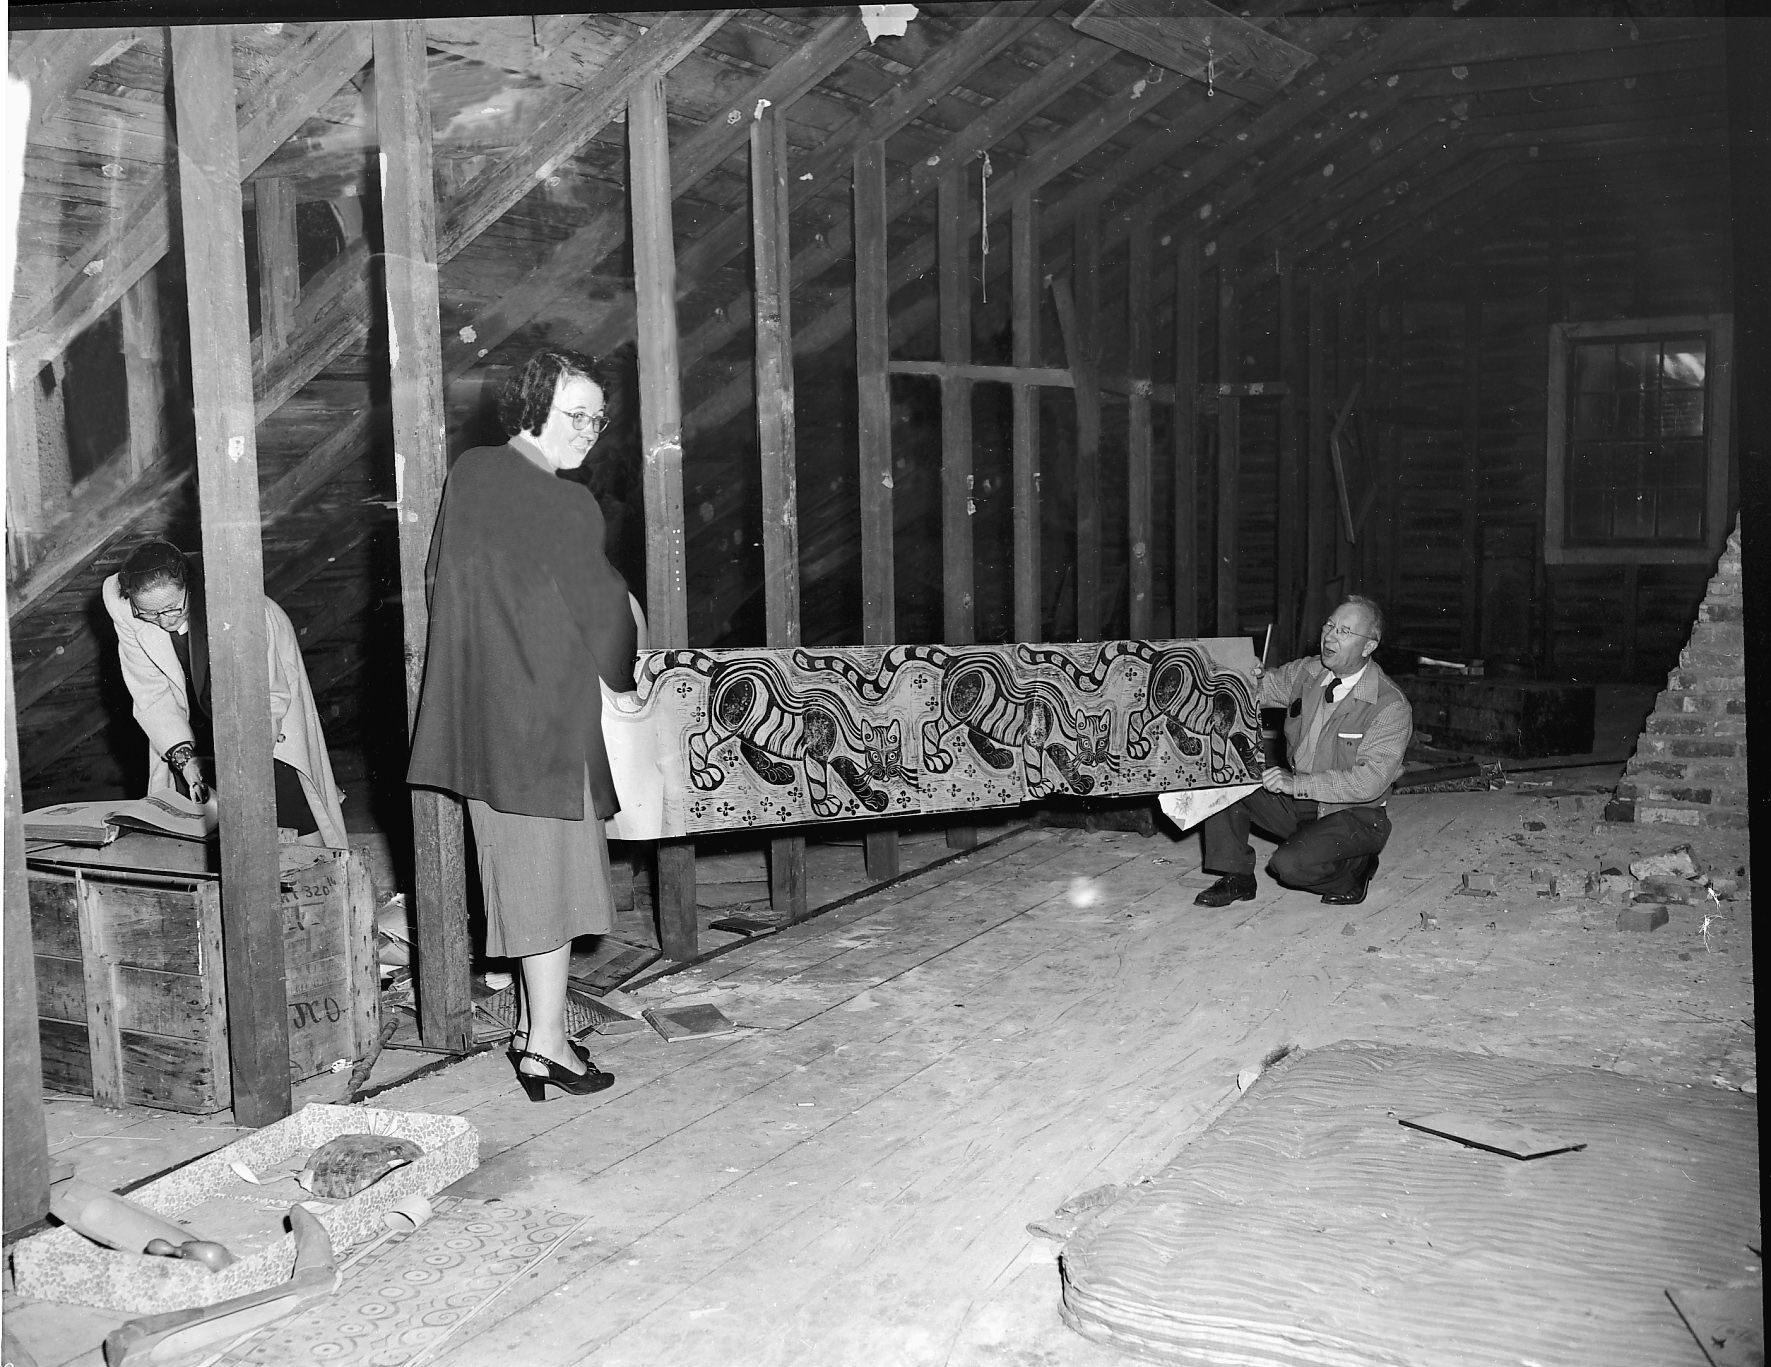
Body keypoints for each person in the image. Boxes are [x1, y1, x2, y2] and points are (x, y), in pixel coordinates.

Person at [407, 346, 638, 1102]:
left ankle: (536, 1031)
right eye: (576, 414)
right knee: (551, 885)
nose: (589, 431)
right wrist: (630, 664)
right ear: (532, 404)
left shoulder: (470, 473)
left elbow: (462, 586)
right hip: (545, 724)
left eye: (598, 418)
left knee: (532, 883)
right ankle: (544, 1042)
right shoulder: (567, 502)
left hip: (480, 723)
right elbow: (603, 615)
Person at [102, 539, 348, 849]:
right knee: (186, 797)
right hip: (194, 700)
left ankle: (320, 867)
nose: (164, 621)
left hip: (259, 691)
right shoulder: (125, 609)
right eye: (150, 614)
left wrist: (257, 744)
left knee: (280, 781)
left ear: (190, 588)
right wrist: (184, 758)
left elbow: (268, 694)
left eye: (172, 608)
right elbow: (150, 692)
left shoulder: (241, 606)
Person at [1193, 595, 1412, 908]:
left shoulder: (1390, 705)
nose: (1330, 636)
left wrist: (1296, 784)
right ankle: (1236, 876)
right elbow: (1260, 690)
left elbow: (1370, 782)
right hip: (1300, 802)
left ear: (1369, 646)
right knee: (1224, 774)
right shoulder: (1308, 673)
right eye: (1329, 626)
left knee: (1289, 866)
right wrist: (1243, 675)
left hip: (1353, 814)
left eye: (1345, 632)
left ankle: (1354, 870)